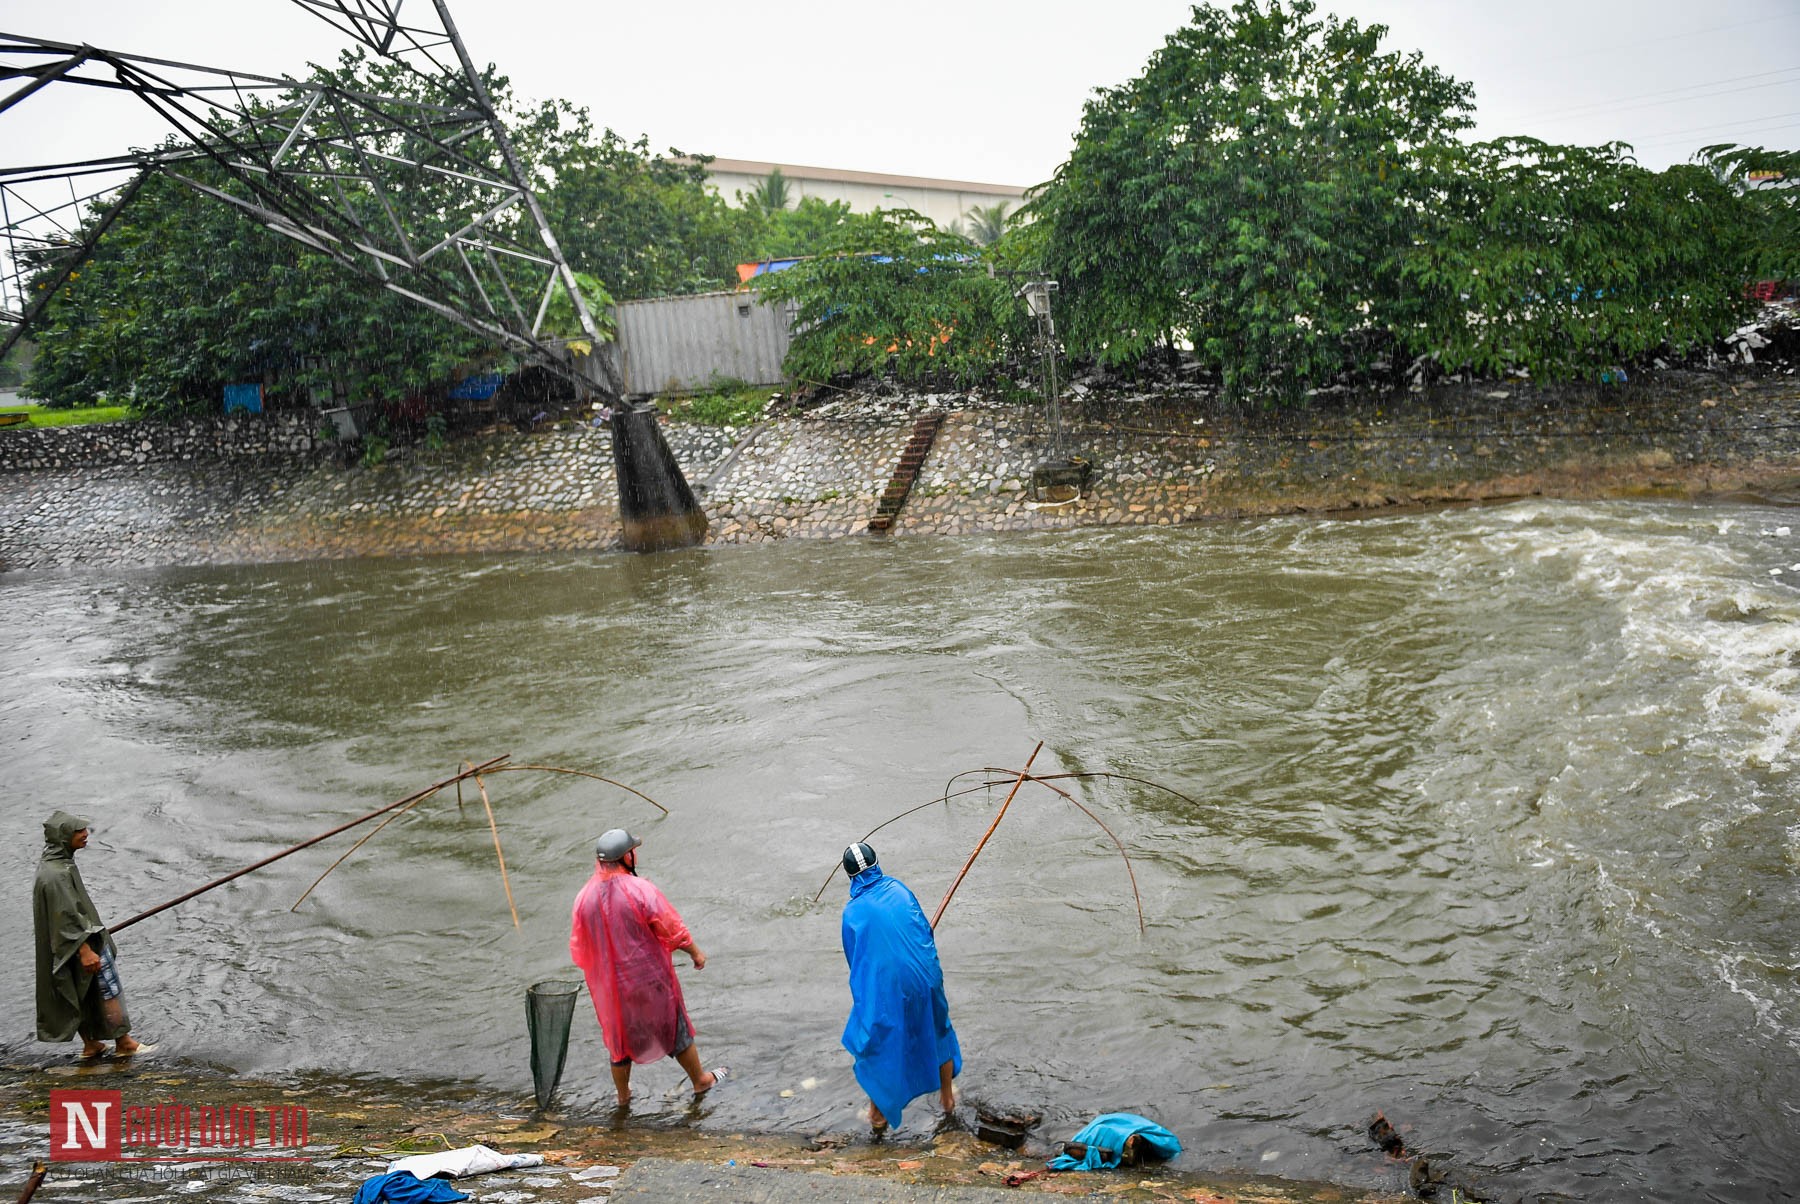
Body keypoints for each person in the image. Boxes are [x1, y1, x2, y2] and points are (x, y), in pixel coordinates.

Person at [569, 828, 725, 1108]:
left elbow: (580, 948)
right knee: (675, 1029)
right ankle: (700, 1081)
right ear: (627, 857)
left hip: (610, 987)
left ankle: (623, 1096)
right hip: (648, 977)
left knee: (619, 1040)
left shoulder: (583, 898)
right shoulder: (640, 890)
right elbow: (671, 929)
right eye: (633, 850)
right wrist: (696, 953)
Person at [839, 842, 960, 1134]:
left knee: (876, 1042)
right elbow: (922, 931)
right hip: (926, 977)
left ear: (850, 875)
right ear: (877, 864)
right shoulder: (900, 889)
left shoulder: (852, 912)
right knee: (938, 1030)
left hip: (889, 988)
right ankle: (947, 1100)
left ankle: (878, 1115)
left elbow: (855, 961)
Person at [34, 811, 144, 1059]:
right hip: (81, 943)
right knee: (108, 989)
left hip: (71, 943)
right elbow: (66, 918)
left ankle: (92, 1044)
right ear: (63, 836)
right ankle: (124, 1042)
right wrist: (85, 949)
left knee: (79, 991)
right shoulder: (56, 875)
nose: (85, 835)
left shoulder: (55, 865)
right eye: (78, 831)